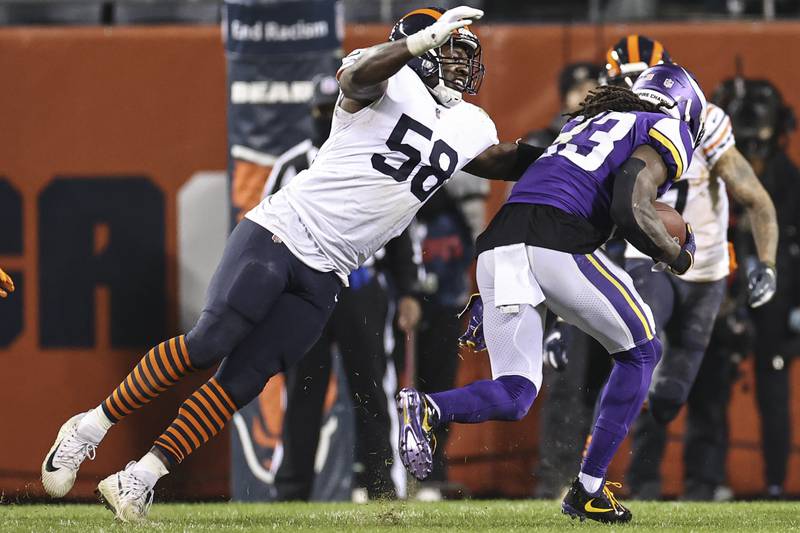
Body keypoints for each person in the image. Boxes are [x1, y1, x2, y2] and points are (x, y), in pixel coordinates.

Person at [40, 6, 546, 521]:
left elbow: (497, 160)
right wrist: (416, 46)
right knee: (209, 343)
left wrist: (565, 148)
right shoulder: (388, 80)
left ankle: (140, 476)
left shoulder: (471, 122)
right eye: (451, 49)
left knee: (247, 377)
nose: (462, 63)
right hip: (283, 232)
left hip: (332, 270)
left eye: (466, 53)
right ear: (422, 48)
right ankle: (87, 428)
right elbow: (355, 76)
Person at [399, 63, 706, 524]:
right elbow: (629, 202)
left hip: (498, 244)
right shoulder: (666, 127)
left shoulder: (583, 123)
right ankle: (588, 489)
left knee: (517, 391)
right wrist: (673, 253)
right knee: (642, 351)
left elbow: (507, 160)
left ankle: (429, 407)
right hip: (556, 238)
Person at [597, 36, 779, 501]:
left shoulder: (706, 121)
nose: (635, 93)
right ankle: (625, 484)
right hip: (650, 260)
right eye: (624, 83)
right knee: (638, 358)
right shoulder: (614, 123)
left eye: (640, 82)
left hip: (707, 270)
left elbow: (755, 198)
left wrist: (768, 263)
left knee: (673, 395)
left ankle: (693, 484)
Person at [266, 74, 422, 501]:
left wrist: (408, 287)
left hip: (361, 287)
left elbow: (399, 225)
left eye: (328, 110)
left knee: (372, 387)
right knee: (303, 392)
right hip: (305, 290)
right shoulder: (294, 163)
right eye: (317, 111)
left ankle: (383, 486)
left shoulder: (375, 157)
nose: (323, 118)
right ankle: (291, 492)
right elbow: (268, 231)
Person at [714, 77, 798, 498]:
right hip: (723, 290)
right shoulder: (716, 176)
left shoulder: (789, 180)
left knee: (773, 389)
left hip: (776, 303)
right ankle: (705, 481)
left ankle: (775, 483)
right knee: (708, 386)